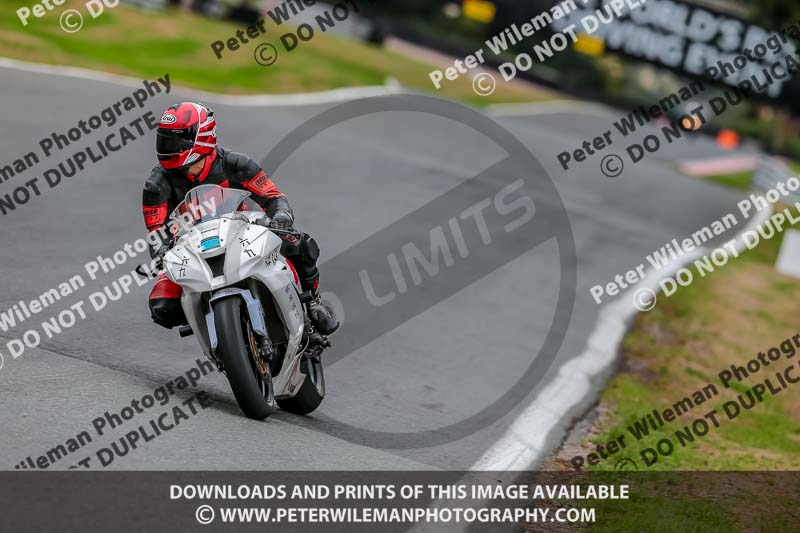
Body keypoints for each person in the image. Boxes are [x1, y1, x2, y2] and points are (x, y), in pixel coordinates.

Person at [142, 102, 339, 335]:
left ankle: (314, 301)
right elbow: (156, 232)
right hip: (192, 248)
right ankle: (214, 324)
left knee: (299, 242)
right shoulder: (157, 184)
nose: (168, 147)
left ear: (201, 137)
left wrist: (281, 218)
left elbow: (274, 198)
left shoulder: (236, 164)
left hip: (242, 232)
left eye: (174, 140)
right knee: (162, 307)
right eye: (164, 139)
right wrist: (162, 253)